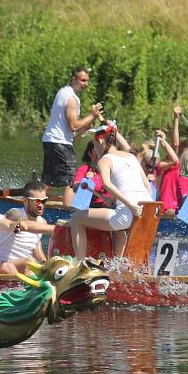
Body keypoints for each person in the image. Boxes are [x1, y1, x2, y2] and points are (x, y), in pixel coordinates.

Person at [70, 123, 153, 259]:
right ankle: (120, 264)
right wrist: (115, 200)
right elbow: (148, 189)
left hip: (128, 213)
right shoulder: (132, 157)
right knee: (119, 222)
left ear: (100, 141)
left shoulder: (105, 160)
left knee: (76, 218)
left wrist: (130, 205)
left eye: (94, 143)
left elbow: (107, 185)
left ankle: (79, 265)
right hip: (147, 212)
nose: (95, 148)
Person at [41, 67, 103, 197]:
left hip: (50, 140)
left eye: (87, 81)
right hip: (59, 143)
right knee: (72, 179)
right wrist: (92, 116)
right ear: (73, 79)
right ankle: (70, 210)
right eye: (82, 80)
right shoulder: (71, 98)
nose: (86, 84)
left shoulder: (63, 91)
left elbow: (71, 133)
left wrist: (85, 127)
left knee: (48, 180)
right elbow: (73, 126)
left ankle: (38, 199)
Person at [0, 181, 55, 275]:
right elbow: (27, 225)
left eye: (43, 201)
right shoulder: (13, 213)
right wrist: (60, 229)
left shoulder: (42, 222)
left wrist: (46, 264)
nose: (41, 205)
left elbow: (36, 247)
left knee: (35, 264)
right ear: (25, 201)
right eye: (36, 201)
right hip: (0, 265)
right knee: (29, 263)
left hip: (25, 266)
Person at [66, 141, 111, 208]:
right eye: (96, 151)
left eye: (102, 151)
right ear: (89, 154)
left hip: (110, 207)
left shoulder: (110, 170)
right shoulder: (84, 169)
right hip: (91, 209)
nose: (100, 154)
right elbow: (75, 187)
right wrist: (85, 181)